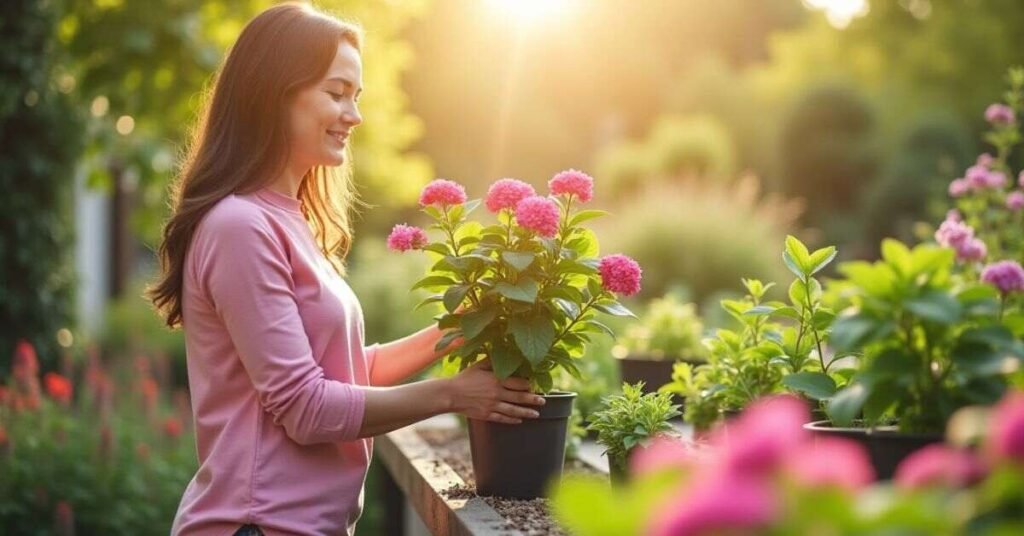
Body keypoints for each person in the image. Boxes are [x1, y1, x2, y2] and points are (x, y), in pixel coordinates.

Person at [146, 3, 544, 535]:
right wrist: (453, 394)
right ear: (273, 92)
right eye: (336, 93)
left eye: (356, 97)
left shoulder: (290, 219)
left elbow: (344, 373)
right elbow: (306, 408)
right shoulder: (240, 226)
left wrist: (456, 328)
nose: (353, 115)